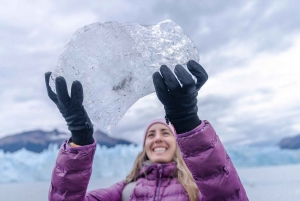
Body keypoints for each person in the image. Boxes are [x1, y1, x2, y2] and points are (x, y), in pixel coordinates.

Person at [45, 60, 248, 201]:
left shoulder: (195, 191)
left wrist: (187, 122)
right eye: (151, 135)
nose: (157, 138)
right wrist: (80, 136)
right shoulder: (124, 192)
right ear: (145, 147)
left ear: (177, 144)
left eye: (165, 133)